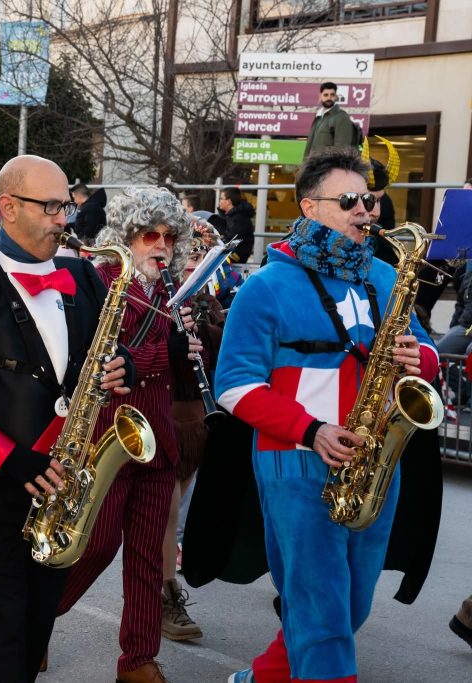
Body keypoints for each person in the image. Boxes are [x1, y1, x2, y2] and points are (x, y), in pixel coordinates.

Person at [217, 147, 438, 683]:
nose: (365, 209)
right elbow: (234, 385)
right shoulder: (266, 286)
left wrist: (421, 359)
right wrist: (310, 430)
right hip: (295, 460)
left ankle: (263, 676)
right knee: (321, 609)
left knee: (349, 605)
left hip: (374, 461)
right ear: (309, 207)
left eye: (369, 200)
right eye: (349, 200)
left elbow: (427, 352)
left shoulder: (385, 275)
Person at [0, 155, 132, 683]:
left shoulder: (82, 275)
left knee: (33, 641)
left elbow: (101, 355)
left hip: (61, 494)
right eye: (51, 207)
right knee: (4, 648)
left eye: (66, 206)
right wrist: (9, 459)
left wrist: (117, 366)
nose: (63, 219)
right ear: (7, 207)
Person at [53, 187, 199, 683]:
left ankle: (138, 659)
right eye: (149, 235)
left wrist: (192, 344)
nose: (161, 246)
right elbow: (103, 358)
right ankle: (30, 618)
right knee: (95, 545)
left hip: (157, 438)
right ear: (127, 236)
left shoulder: (172, 291)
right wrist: (165, 353)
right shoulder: (100, 282)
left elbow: (178, 359)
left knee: (146, 556)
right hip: (107, 436)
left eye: (170, 237)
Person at [161, 225, 225, 642]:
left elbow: (220, 355)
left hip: (195, 420)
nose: (192, 265)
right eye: (189, 256)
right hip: (163, 415)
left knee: (176, 506)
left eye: (200, 258)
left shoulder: (207, 302)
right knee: (166, 513)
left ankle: (160, 593)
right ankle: (166, 595)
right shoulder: (158, 298)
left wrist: (207, 328)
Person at [303, 82, 358, 159]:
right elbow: (310, 147)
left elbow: (342, 150)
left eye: (332, 95)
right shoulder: (319, 116)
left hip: (327, 165)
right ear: (320, 96)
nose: (329, 98)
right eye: (326, 95)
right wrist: (305, 163)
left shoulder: (341, 117)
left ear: (336, 97)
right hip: (313, 164)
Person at [218, 187, 255, 263]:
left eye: (221, 198)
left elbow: (232, 239)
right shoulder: (228, 216)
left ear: (228, 201)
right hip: (229, 252)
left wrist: (218, 238)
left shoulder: (240, 218)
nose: (219, 201)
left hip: (236, 256)